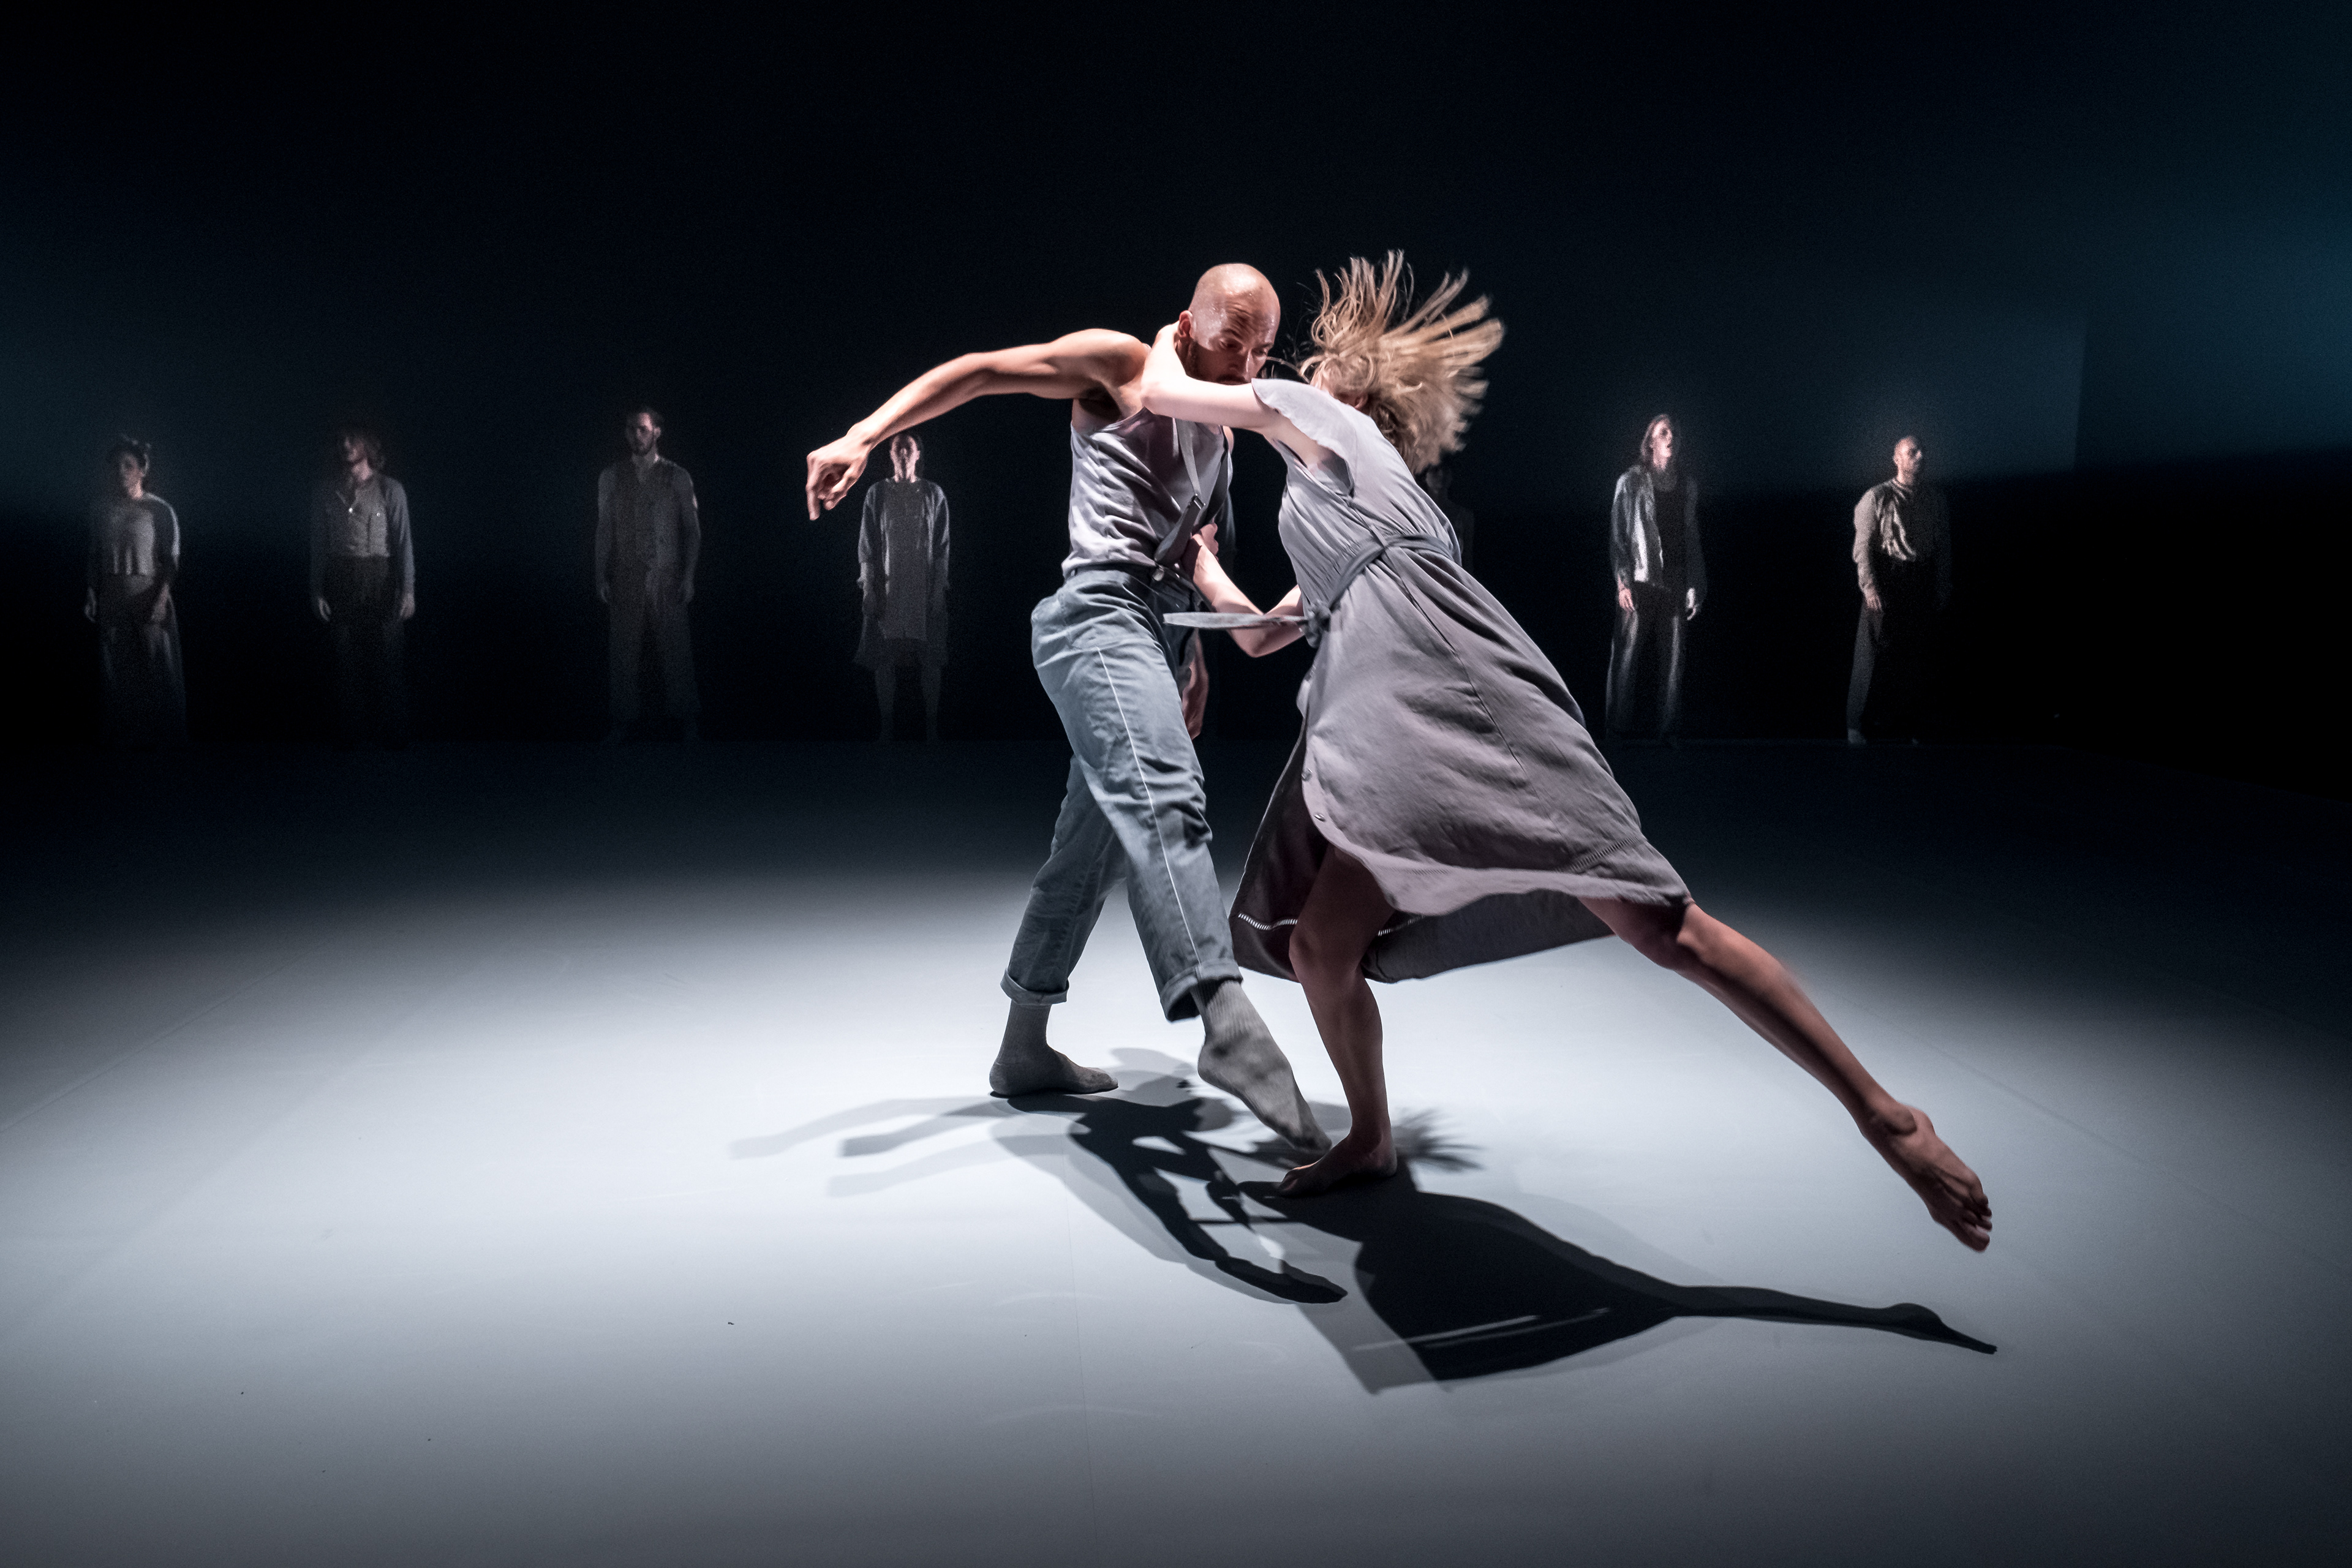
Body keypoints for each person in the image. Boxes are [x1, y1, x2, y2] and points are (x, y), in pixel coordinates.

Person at [1145, 254, 1991, 1251]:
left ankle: (1886, 1116)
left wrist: (1170, 338)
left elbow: (1164, 392)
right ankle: (1371, 1138)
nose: (1284, 374)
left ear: (1356, 399)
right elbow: (1264, 637)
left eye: (1305, 368)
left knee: (1663, 927)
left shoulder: (1327, 426)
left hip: (1447, 695)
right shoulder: (1359, 501)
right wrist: (1205, 568)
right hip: (1389, 721)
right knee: (1321, 946)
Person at [803, 264, 1328, 1155]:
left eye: (1262, 350)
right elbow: (980, 371)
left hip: (1155, 636)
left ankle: (1023, 1049)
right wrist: (862, 435)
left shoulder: (1221, 430)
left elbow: (1189, 558)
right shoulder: (1123, 365)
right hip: (1095, 620)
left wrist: (1200, 651)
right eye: (1230, 344)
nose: (1245, 366)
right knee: (1166, 794)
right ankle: (1223, 1013)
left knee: (1089, 852)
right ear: (1187, 327)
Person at [596, 407, 703, 744]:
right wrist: (600, 574)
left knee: (677, 652)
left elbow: (692, 531)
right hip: (626, 574)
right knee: (623, 652)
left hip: (666, 574)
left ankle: (688, 723)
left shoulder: (676, 476)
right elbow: (604, 530)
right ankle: (621, 723)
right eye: (631, 429)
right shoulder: (612, 476)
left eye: (642, 429)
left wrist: (689, 576)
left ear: (657, 431)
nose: (635, 435)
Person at [309, 428, 413, 748]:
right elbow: (319, 545)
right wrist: (317, 590)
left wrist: (408, 590)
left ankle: (390, 738)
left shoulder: (389, 489)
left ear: (367, 445)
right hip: (342, 576)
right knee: (345, 661)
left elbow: (403, 543)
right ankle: (351, 740)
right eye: (342, 440)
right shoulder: (326, 491)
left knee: (386, 658)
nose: (346, 445)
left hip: (379, 576)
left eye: (353, 440)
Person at [1605, 415, 1705, 741]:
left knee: (1674, 663)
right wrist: (1623, 582)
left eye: (1674, 432)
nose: (1670, 437)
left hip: (1675, 582)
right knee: (1627, 657)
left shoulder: (1687, 486)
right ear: (1651, 442)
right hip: (1641, 580)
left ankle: (1668, 734)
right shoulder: (1631, 482)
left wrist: (1695, 585)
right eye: (1664, 432)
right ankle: (1617, 733)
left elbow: (1691, 539)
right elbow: (1619, 537)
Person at [1846, 435, 1951, 744]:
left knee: (1916, 654)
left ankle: (1911, 726)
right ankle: (1857, 724)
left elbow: (1943, 547)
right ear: (1897, 458)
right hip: (1888, 576)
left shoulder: (1935, 499)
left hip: (1920, 578)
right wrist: (1870, 587)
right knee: (1872, 653)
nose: (1919, 457)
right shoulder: (1877, 497)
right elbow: (1862, 548)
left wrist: (1942, 583)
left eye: (1922, 452)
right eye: (1912, 452)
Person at [84, 436, 187, 748]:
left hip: (147, 591)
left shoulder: (159, 510)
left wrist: (161, 598)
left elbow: (171, 560)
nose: (121, 471)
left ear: (143, 470)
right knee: (117, 666)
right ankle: (124, 739)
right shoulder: (102, 510)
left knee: (157, 666)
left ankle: (165, 740)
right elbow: (95, 555)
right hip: (113, 592)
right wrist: (92, 592)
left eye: (128, 465)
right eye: (116, 466)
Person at [855, 431, 951, 742]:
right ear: (891, 454)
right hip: (889, 588)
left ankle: (932, 727)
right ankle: (886, 727)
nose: (904, 452)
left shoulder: (933, 494)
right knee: (884, 659)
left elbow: (942, 548)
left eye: (909, 447)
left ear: (918, 453)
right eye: (898, 447)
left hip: (923, 589)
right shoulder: (877, 494)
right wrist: (869, 589)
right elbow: (867, 546)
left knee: (930, 659)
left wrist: (937, 591)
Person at [1419, 463, 1474, 571]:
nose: (1441, 474)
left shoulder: (1464, 516)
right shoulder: (1418, 511)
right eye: (1435, 470)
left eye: (1446, 470)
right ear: (1424, 476)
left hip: (1454, 571)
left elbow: (1467, 557)